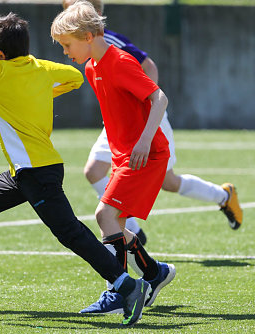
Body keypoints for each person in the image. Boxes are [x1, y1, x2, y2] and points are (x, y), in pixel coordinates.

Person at [0, 12, 151, 326]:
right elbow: (74, 78)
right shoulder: (40, 68)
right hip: (25, 172)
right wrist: (43, 92)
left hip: (36, 174)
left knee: (71, 234)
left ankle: (129, 286)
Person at [62, 0, 243, 246]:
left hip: (146, 119)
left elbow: (148, 69)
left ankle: (223, 195)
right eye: (66, 9)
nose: (67, 15)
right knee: (94, 171)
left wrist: (143, 111)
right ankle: (129, 231)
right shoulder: (90, 64)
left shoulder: (109, 46)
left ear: (93, 19)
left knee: (168, 182)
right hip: (120, 124)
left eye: (72, 9)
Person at [51, 0, 176, 316]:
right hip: (125, 155)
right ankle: (153, 273)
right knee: (117, 226)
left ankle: (118, 292)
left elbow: (159, 98)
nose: (66, 52)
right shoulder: (93, 68)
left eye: (68, 44)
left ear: (88, 36)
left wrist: (145, 140)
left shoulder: (119, 61)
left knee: (104, 216)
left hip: (146, 155)